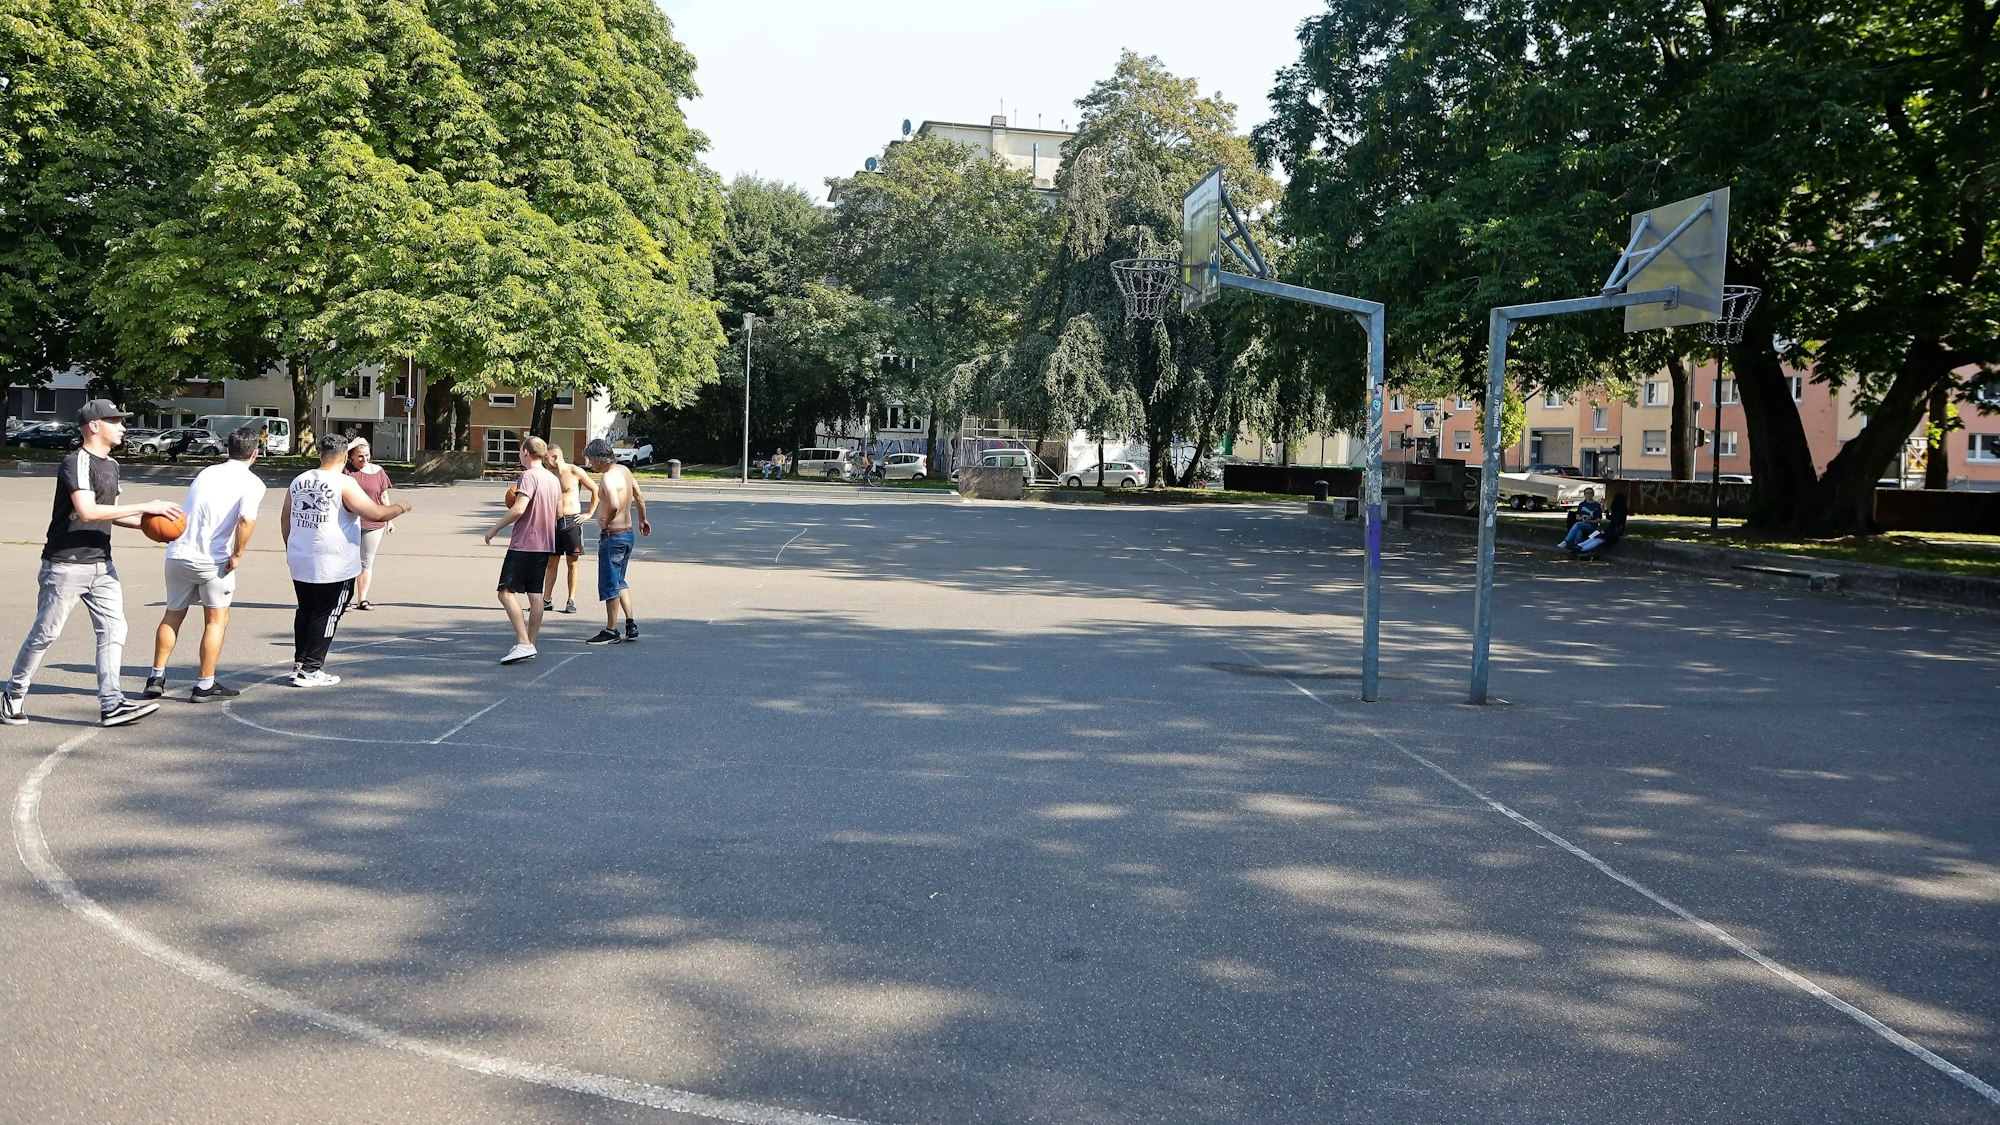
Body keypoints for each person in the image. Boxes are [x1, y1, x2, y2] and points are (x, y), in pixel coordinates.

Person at [3, 400, 183, 727]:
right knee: (46, 633)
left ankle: (111, 703)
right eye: (116, 421)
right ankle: (14, 693)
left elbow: (112, 513)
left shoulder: (111, 465)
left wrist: (152, 524)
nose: (124, 427)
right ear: (95, 426)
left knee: (115, 630)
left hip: (101, 564)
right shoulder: (76, 463)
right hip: (65, 565)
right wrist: (147, 504)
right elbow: (88, 511)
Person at [146, 425, 266, 702]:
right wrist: (238, 554)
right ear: (255, 453)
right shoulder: (252, 483)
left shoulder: (207, 472)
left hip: (178, 552)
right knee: (216, 620)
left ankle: (156, 676)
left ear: (228, 448)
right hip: (211, 560)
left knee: (173, 614)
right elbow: (246, 521)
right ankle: (204, 683)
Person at [283, 433, 411, 686]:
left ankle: (300, 663)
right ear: (344, 457)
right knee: (328, 613)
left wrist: (291, 546)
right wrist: (400, 507)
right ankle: (311, 669)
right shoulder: (344, 483)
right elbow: (374, 512)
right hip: (333, 562)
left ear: (321, 454)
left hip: (301, 557)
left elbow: (286, 518)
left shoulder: (299, 480)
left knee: (306, 611)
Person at [485, 435, 560, 664]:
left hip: (525, 543)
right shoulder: (552, 478)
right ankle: (530, 643)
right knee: (535, 595)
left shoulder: (528, 476)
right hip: (545, 543)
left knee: (505, 592)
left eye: (520, 451)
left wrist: (494, 528)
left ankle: (523, 642)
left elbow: (519, 508)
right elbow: (558, 513)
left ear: (526, 453)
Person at [581, 437, 649, 645]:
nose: (591, 464)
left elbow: (614, 503)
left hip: (614, 535)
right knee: (620, 580)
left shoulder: (608, 477)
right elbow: (638, 495)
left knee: (610, 582)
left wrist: (605, 522)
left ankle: (611, 630)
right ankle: (630, 623)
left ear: (598, 459)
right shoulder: (625, 471)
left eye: (591, 460)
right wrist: (643, 518)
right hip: (627, 534)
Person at [540, 443, 597, 615]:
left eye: (546, 459)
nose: (544, 462)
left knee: (572, 562)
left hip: (572, 521)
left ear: (555, 457)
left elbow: (595, 489)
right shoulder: (548, 474)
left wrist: (588, 513)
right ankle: (546, 599)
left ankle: (571, 599)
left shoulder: (574, 471)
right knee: (551, 562)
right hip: (553, 521)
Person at [343, 438, 395, 610]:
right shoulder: (345, 470)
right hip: (350, 522)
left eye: (366, 455)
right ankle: (345, 600)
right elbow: (333, 456)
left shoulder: (379, 472)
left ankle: (362, 599)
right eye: (359, 456)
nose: (364, 459)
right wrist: (350, 445)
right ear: (350, 457)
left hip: (374, 524)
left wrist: (389, 519)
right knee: (348, 561)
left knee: (366, 562)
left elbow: (383, 496)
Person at [1577, 494, 1630, 559]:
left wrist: (1605, 531)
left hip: (1615, 531)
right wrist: (1606, 510)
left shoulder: (1621, 510)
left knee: (1599, 538)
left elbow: (1615, 523)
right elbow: (1610, 518)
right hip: (1613, 530)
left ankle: (1581, 548)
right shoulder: (1619, 510)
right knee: (1596, 536)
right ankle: (1580, 546)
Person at [1558, 487, 1604, 552]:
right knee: (1579, 530)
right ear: (1585, 494)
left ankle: (1566, 541)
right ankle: (1578, 548)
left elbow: (1598, 520)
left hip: (1592, 526)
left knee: (1578, 524)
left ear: (1593, 494)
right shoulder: (1582, 505)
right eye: (1587, 493)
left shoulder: (1597, 505)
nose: (1589, 495)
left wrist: (1589, 521)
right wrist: (1583, 517)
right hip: (1582, 523)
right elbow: (1577, 517)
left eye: (1591, 493)